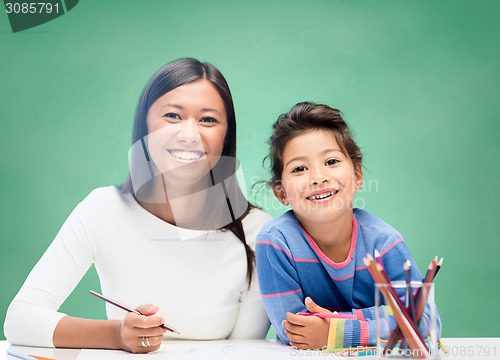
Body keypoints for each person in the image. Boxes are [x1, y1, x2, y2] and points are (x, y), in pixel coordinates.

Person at [4, 58, 272, 353]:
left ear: (225, 137)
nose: (189, 134)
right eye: (172, 115)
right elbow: (19, 320)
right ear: (144, 126)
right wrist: (116, 335)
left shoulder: (258, 232)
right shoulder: (102, 209)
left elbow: (247, 352)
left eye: (208, 120)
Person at [255, 102, 441, 350]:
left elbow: (426, 323)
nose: (318, 177)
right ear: (281, 192)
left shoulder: (384, 243)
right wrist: (384, 315)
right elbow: (295, 330)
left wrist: (337, 331)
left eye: (331, 161)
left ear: (358, 174)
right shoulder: (276, 241)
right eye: (299, 168)